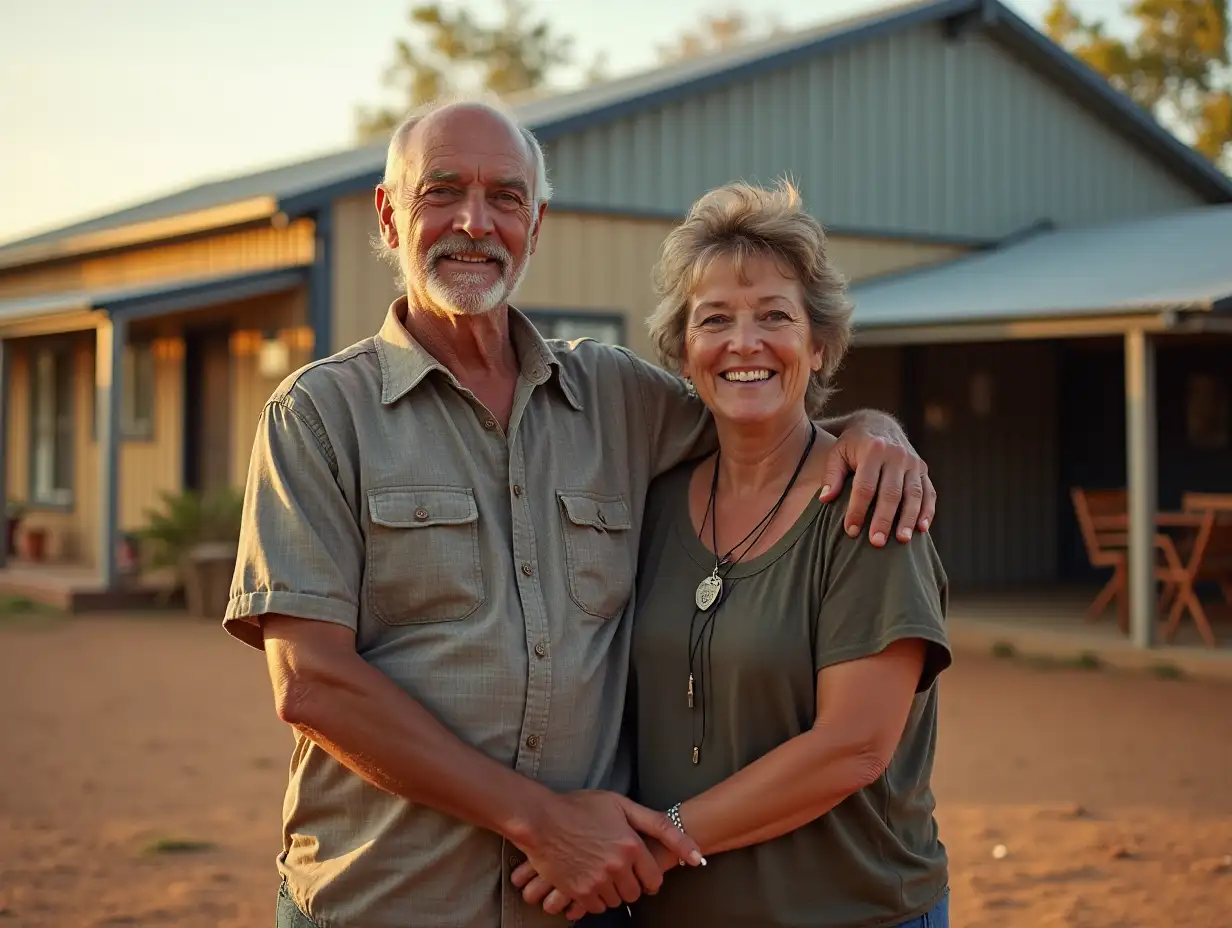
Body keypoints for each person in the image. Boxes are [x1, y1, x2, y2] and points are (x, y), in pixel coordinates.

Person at [223, 95, 938, 928]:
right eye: (442, 191)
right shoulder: (316, 417)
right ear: (389, 213)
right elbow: (311, 684)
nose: (474, 222)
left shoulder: (618, 398)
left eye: (506, 198)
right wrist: (539, 820)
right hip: (387, 898)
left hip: (575, 910)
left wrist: (872, 432)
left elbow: (760, 408)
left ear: (538, 220)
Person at [511, 181, 952, 927]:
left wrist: (647, 848)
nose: (744, 342)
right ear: (684, 355)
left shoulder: (871, 505)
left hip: (850, 910)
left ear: (817, 346)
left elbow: (852, 748)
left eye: (774, 317)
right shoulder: (650, 501)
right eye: (715, 320)